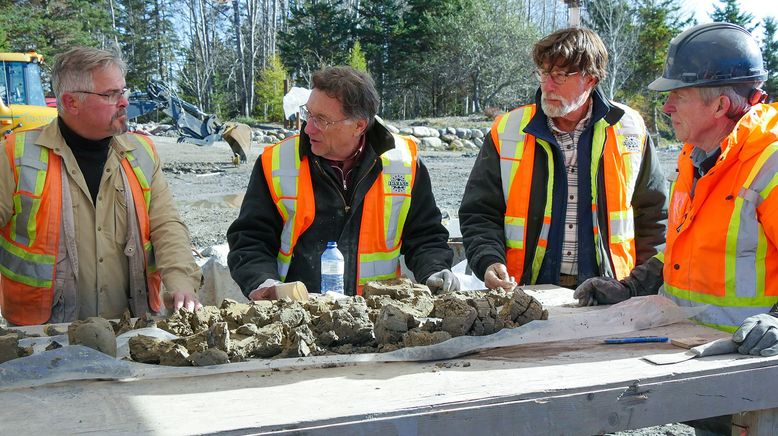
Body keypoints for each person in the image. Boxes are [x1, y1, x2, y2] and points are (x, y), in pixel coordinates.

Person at [576, 22, 778, 358]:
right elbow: (685, 249)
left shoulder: (769, 161)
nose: (667, 107)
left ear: (720, 106)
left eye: (678, 96)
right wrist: (630, 287)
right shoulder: (695, 158)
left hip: (748, 367)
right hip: (688, 349)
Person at [0, 46, 202, 326]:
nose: (124, 102)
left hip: (132, 330)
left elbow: (166, 224)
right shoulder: (15, 155)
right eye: (111, 94)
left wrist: (181, 281)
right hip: (44, 338)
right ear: (71, 103)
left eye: (123, 91)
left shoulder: (142, 152)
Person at [459, 27, 667, 292]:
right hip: (521, 293)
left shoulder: (630, 129)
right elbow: (479, 212)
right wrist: (489, 261)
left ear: (591, 79)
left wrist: (636, 287)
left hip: (610, 292)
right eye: (544, 73)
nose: (547, 85)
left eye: (559, 75)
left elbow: (655, 217)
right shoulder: (508, 130)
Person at [227, 66, 455, 299]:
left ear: (359, 125)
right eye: (308, 114)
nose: (309, 128)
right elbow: (250, 240)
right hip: (298, 317)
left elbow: (425, 235)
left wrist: (434, 269)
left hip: (380, 316)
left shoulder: (403, 163)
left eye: (322, 120)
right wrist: (263, 282)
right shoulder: (276, 162)